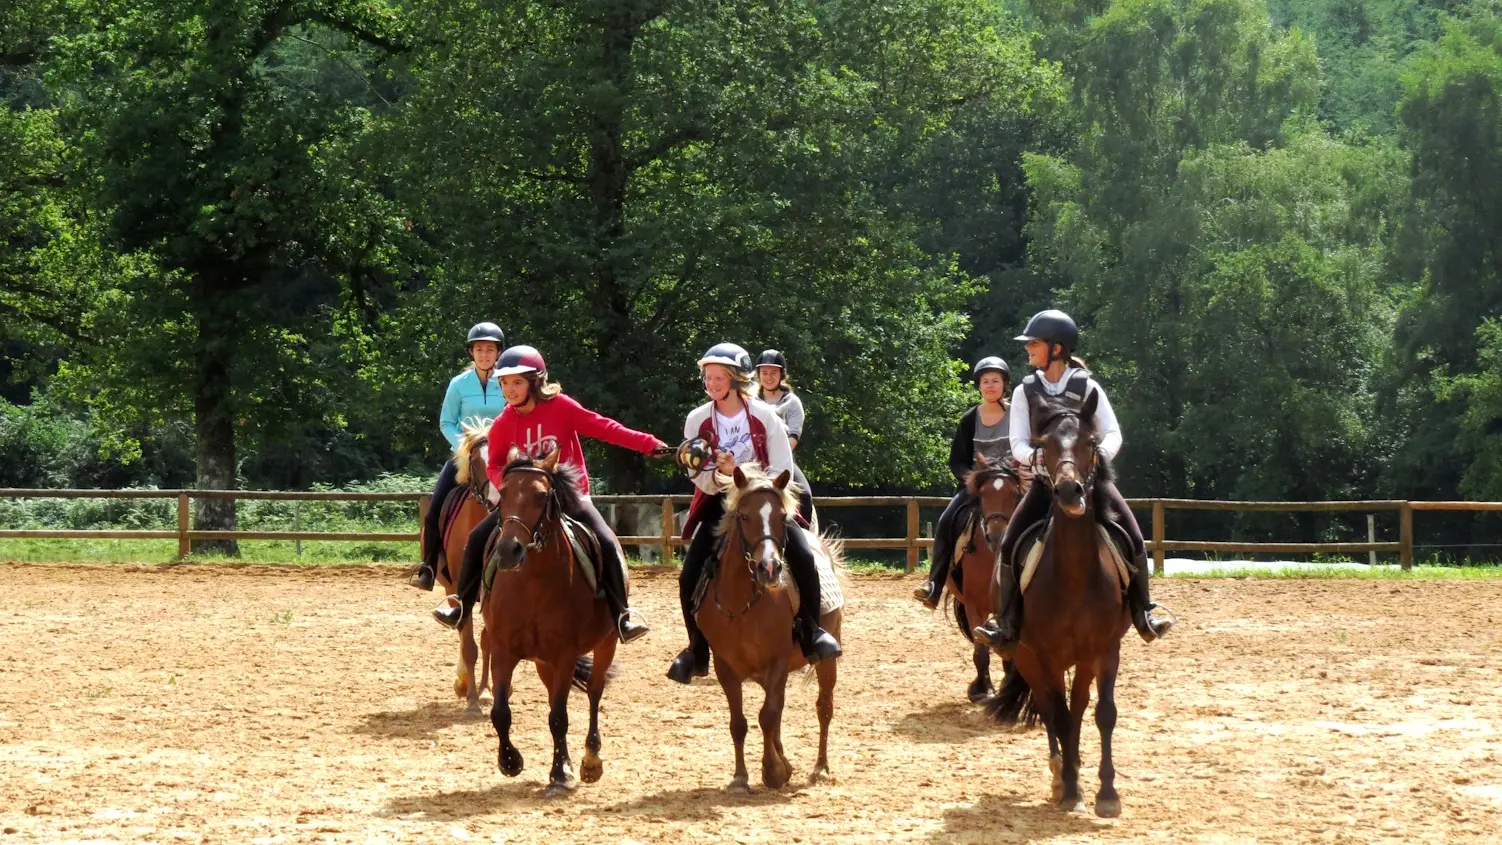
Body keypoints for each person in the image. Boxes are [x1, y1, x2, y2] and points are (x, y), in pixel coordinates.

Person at [432, 345, 672, 643]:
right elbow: (494, 463)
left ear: (535, 381)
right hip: (524, 503)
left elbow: (604, 428)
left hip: (570, 497)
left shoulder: (562, 407)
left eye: (517, 382)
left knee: (608, 542)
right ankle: (462, 606)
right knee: (476, 540)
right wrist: (505, 486)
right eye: (504, 382)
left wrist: (648, 444)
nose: (509, 389)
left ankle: (622, 615)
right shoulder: (505, 422)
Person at [972, 310, 1176, 653]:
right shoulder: (1025, 390)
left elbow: (1113, 433)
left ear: (1056, 348)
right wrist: (1037, 459)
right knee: (1008, 545)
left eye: (1033, 343)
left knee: (1134, 537)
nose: (1028, 350)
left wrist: (1096, 460)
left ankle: (1144, 614)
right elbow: (1017, 442)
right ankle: (1006, 623)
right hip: (1043, 482)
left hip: (1090, 481)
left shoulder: (1087, 386)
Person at [665, 343, 842, 684]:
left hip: (765, 499)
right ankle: (697, 649)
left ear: (736, 380)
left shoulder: (765, 416)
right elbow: (697, 475)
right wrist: (723, 477)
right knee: (689, 573)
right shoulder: (697, 419)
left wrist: (741, 474)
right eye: (708, 377)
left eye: (719, 377)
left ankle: (811, 631)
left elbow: (781, 467)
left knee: (803, 555)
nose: (712, 383)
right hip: (722, 501)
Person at [409, 322, 507, 591]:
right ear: (471, 353)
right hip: (465, 455)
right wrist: (463, 447)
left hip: (502, 455)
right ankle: (428, 567)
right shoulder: (458, 385)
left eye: (490, 349)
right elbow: (446, 422)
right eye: (479, 349)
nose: (484, 354)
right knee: (435, 509)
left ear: (499, 352)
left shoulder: (509, 381)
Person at [912, 356, 1012, 608]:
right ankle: (933, 583)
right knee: (946, 520)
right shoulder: (970, 418)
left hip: (1014, 485)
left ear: (1004, 384)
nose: (990, 386)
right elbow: (957, 460)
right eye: (985, 381)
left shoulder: (1018, 415)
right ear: (979, 386)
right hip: (977, 487)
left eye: (995, 381)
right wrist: (972, 481)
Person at [755, 349, 805, 450]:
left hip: (781, 457)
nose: (768, 377)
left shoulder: (792, 402)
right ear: (759, 375)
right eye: (764, 373)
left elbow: (793, 436)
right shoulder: (750, 401)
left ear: (781, 374)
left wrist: (777, 457)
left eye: (773, 373)